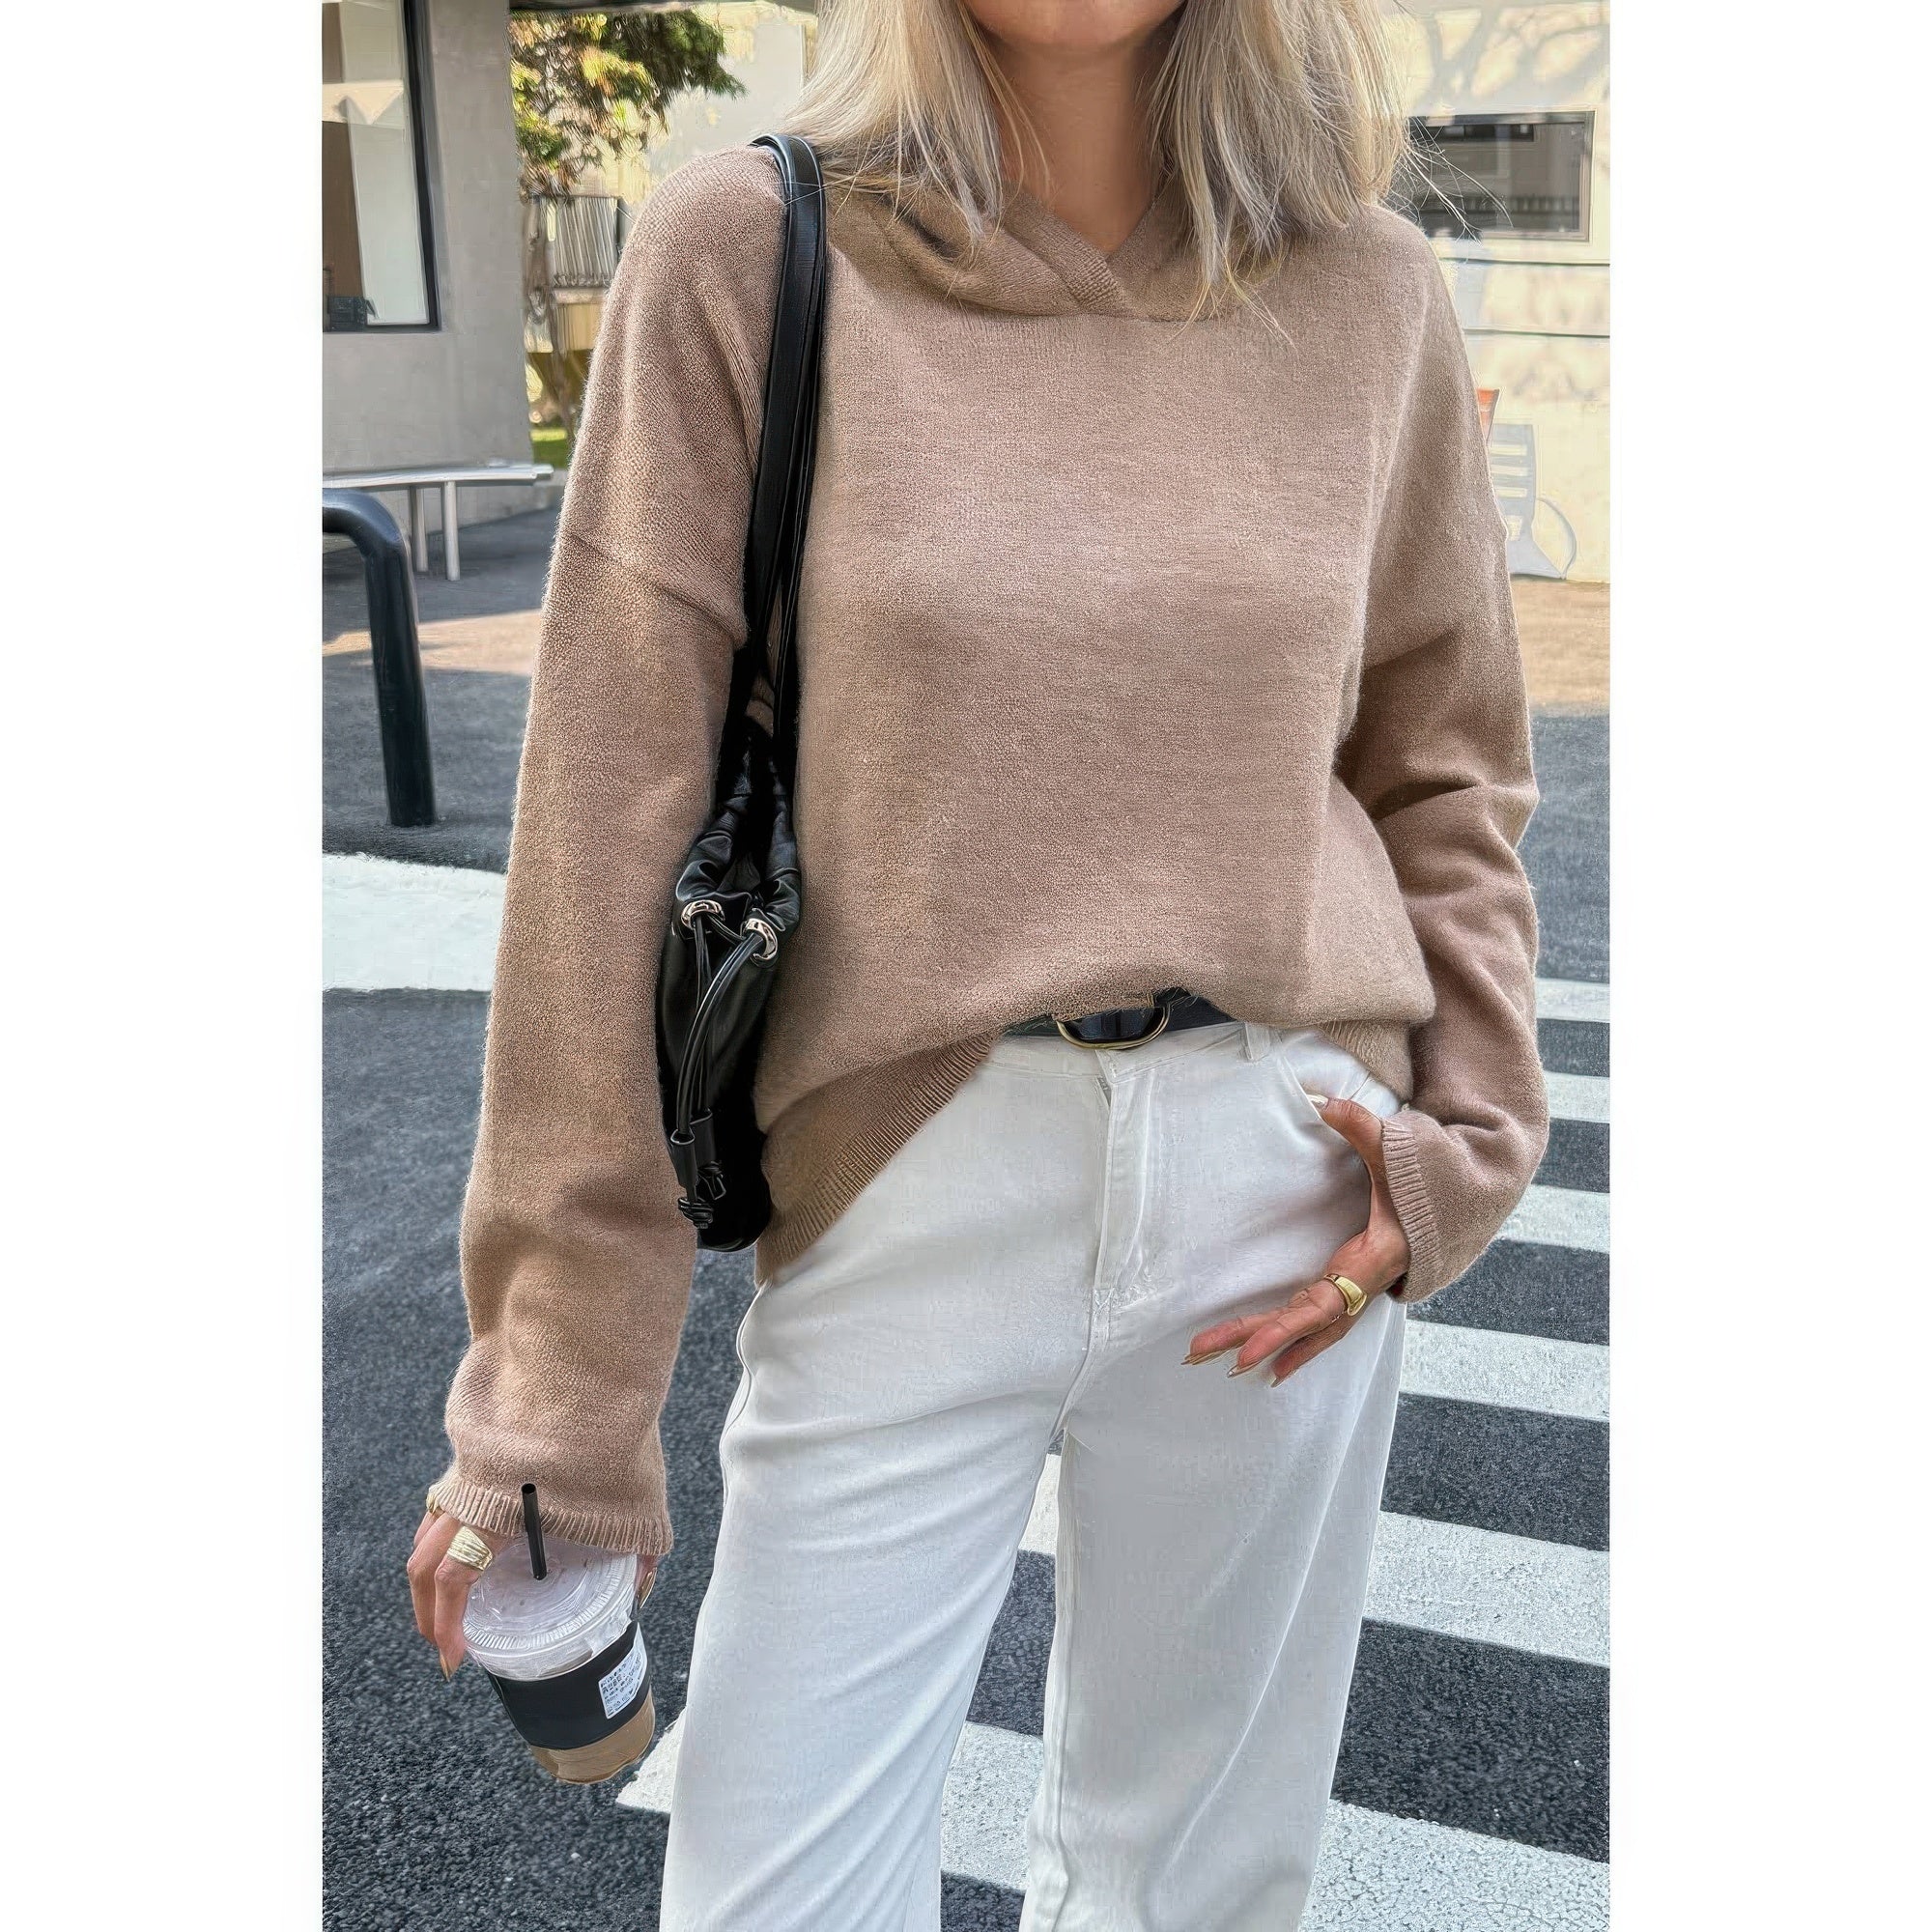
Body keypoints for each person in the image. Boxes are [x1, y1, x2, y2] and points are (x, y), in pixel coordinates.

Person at [408, 1, 1548, 1925]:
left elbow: (1445, 762)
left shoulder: (1367, 292)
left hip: (1286, 1168)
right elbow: (603, 835)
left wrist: (1468, 1139)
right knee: (775, 1888)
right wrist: (553, 1399)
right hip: (906, 1164)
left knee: (1199, 1885)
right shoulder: (750, 252)